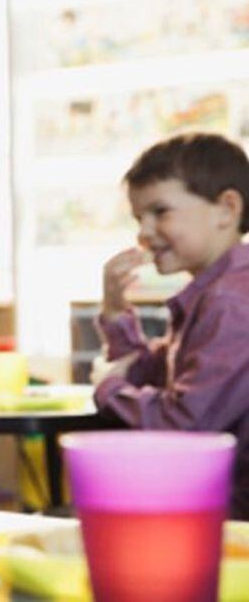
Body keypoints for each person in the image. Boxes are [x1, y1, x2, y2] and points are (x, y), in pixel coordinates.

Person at [93, 132, 249, 519]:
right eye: (138, 218)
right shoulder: (213, 292)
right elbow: (152, 373)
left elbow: (184, 426)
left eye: (160, 212)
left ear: (226, 209)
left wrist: (108, 388)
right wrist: (115, 309)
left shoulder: (230, 301)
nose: (143, 233)